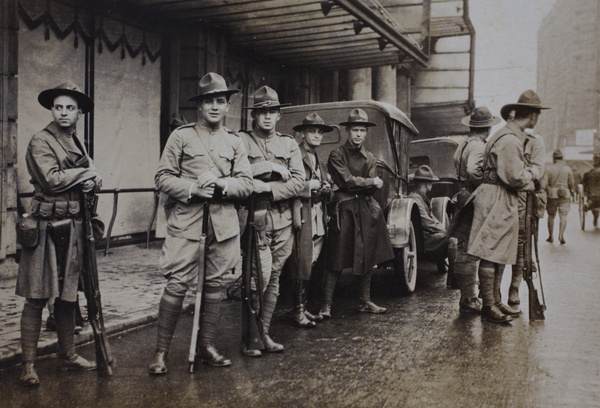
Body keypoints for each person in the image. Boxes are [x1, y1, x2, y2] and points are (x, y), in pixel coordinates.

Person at [149, 73, 253, 374]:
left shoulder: (235, 142)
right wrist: (193, 189)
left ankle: (206, 345)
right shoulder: (181, 136)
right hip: (188, 222)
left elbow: (246, 184)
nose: (215, 107)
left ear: (228, 106)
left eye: (221, 101)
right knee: (177, 283)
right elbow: (162, 177)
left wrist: (221, 184)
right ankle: (161, 353)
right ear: (200, 105)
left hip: (223, 224)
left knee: (216, 286)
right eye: (209, 101)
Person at [16, 81, 102, 386]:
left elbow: (86, 181)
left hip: (74, 225)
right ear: (52, 110)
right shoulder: (40, 140)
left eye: (70, 108)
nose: (63, 113)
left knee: (68, 296)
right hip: (45, 228)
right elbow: (51, 181)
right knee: (36, 297)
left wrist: (91, 182)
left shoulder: (77, 142)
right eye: (58, 107)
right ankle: (28, 364)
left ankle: (68, 355)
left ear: (79, 112)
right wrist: (88, 174)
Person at [455, 93, 545, 324]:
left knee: (496, 252)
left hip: (497, 195)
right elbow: (514, 177)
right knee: (490, 251)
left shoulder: (507, 135)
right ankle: (488, 305)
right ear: (532, 115)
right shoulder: (510, 140)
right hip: (498, 196)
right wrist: (532, 174)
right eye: (538, 113)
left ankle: (494, 300)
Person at [239, 86, 305, 356]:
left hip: (284, 218)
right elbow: (238, 174)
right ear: (254, 115)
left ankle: (264, 333)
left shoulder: (288, 144)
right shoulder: (241, 141)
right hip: (257, 219)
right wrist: (269, 168)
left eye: (272, 112)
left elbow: (299, 182)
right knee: (258, 278)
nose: (267, 117)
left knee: (274, 276)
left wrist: (267, 188)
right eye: (262, 112)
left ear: (279, 115)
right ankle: (250, 338)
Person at [320, 108, 394, 318]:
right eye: (355, 129)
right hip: (344, 210)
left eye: (362, 130)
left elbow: (371, 189)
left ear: (366, 133)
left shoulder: (370, 157)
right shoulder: (337, 154)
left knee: (366, 256)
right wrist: (369, 182)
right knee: (336, 258)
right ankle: (326, 305)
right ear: (348, 131)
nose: (358, 134)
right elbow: (346, 181)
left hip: (366, 211)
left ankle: (365, 301)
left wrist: (365, 185)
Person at [284, 113, 333, 328]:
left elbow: (322, 185)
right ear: (302, 134)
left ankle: (302, 307)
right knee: (300, 261)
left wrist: (325, 188)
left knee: (310, 261)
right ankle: (297, 310)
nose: (316, 136)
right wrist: (308, 187)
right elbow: (287, 184)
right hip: (301, 212)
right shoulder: (295, 155)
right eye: (312, 131)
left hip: (317, 214)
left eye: (320, 132)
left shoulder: (318, 160)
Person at [501, 91, 548, 305]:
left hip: (526, 200)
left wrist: (525, 173)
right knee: (502, 246)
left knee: (522, 248)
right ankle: (494, 295)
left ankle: (515, 289)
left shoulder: (536, 142)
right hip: (506, 197)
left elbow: (538, 170)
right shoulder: (509, 138)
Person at [452, 106, 500, 313]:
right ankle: (469, 298)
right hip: (473, 196)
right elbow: (473, 170)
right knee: (470, 249)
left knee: (464, 246)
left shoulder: (463, 143)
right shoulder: (479, 147)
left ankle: (467, 296)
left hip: (462, 194)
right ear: (487, 128)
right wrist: (485, 184)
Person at [409, 165, 450, 262]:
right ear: (426, 183)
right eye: (431, 182)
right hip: (424, 241)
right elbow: (426, 222)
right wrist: (445, 231)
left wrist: (442, 229)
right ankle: (453, 276)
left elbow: (432, 218)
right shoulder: (415, 199)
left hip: (425, 238)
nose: (432, 184)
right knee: (451, 238)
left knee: (450, 237)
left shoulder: (420, 198)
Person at [543, 149, 574, 244]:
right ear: (562, 158)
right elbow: (571, 183)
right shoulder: (567, 169)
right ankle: (561, 235)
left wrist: (547, 189)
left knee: (551, 216)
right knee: (563, 215)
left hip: (553, 194)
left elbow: (544, 184)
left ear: (554, 158)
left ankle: (551, 236)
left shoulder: (548, 168)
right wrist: (571, 191)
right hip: (565, 194)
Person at [582, 153, 600, 227]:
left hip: (592, 195)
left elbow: (583, 184)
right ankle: (596, 218)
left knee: (592, 204)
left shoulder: (588, 173)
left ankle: (595, 217)